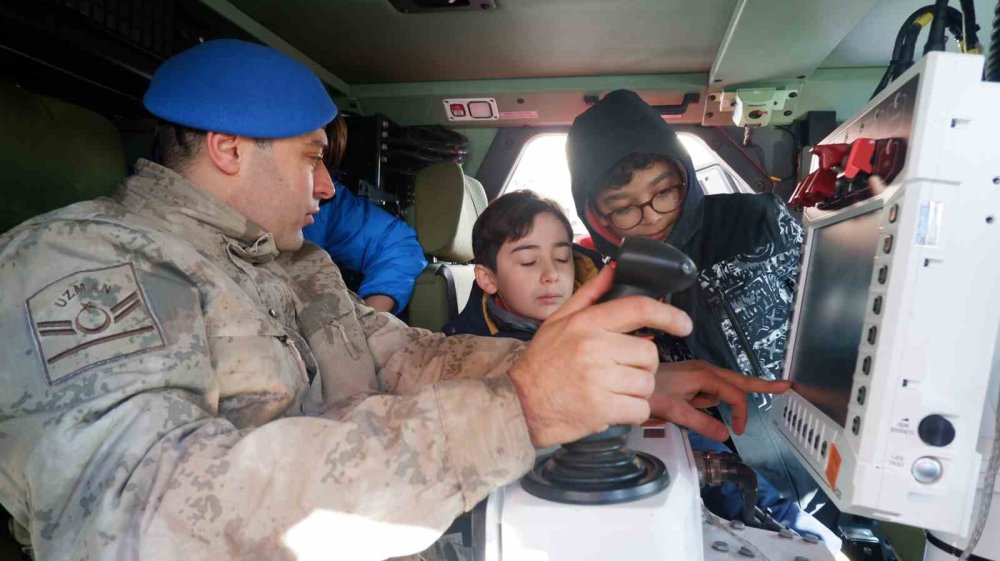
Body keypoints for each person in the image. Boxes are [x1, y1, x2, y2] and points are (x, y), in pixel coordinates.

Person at [0, 40, 789, 561]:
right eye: (312, 158)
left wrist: (618, 383)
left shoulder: (292, 263)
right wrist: (520, 409)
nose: (326, 187)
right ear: (228, 147)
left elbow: (409, 355)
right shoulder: (90, 262)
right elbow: (135, 520)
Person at [444, 191, 834, 540]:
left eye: (562, 257)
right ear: (487, 278)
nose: (551, 273)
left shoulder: (599, 316)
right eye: (528, 261)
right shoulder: (459, 355)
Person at [566, 89, 820, 512]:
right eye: (624, 208)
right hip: (721, 480)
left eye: (663, 192)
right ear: (598, 216)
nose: (649, 215)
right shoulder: (617, 289)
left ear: (683, 174)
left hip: (811, 445)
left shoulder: (757, 221)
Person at [303, 115, 426, 315]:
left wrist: (364, 326)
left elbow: (397, 243)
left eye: (327, 165)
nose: (327, 188)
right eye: (311, 160)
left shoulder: (332, 206)